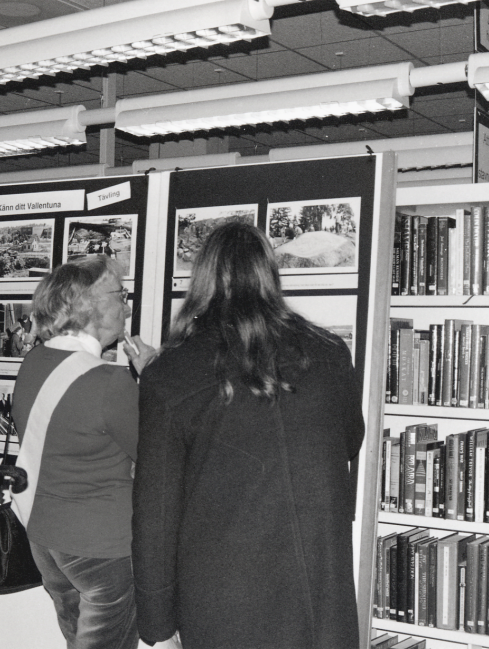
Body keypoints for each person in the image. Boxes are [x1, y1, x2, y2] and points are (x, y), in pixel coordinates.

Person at [132, 222, 365, 649]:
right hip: (319, 594)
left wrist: (157, 628)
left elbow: (155, 517)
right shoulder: (331, 353)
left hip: (224, 603)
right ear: (269, 273)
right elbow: (349, 442)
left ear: (201, 279)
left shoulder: (169, 374)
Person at [10, 256, 154, 649]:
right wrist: (155, 377)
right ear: (88, 306)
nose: (126, 305)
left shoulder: (34, 361)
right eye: (119, 294)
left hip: (45, 539)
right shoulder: (109, 382)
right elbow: (157, 454)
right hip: (102, 550)